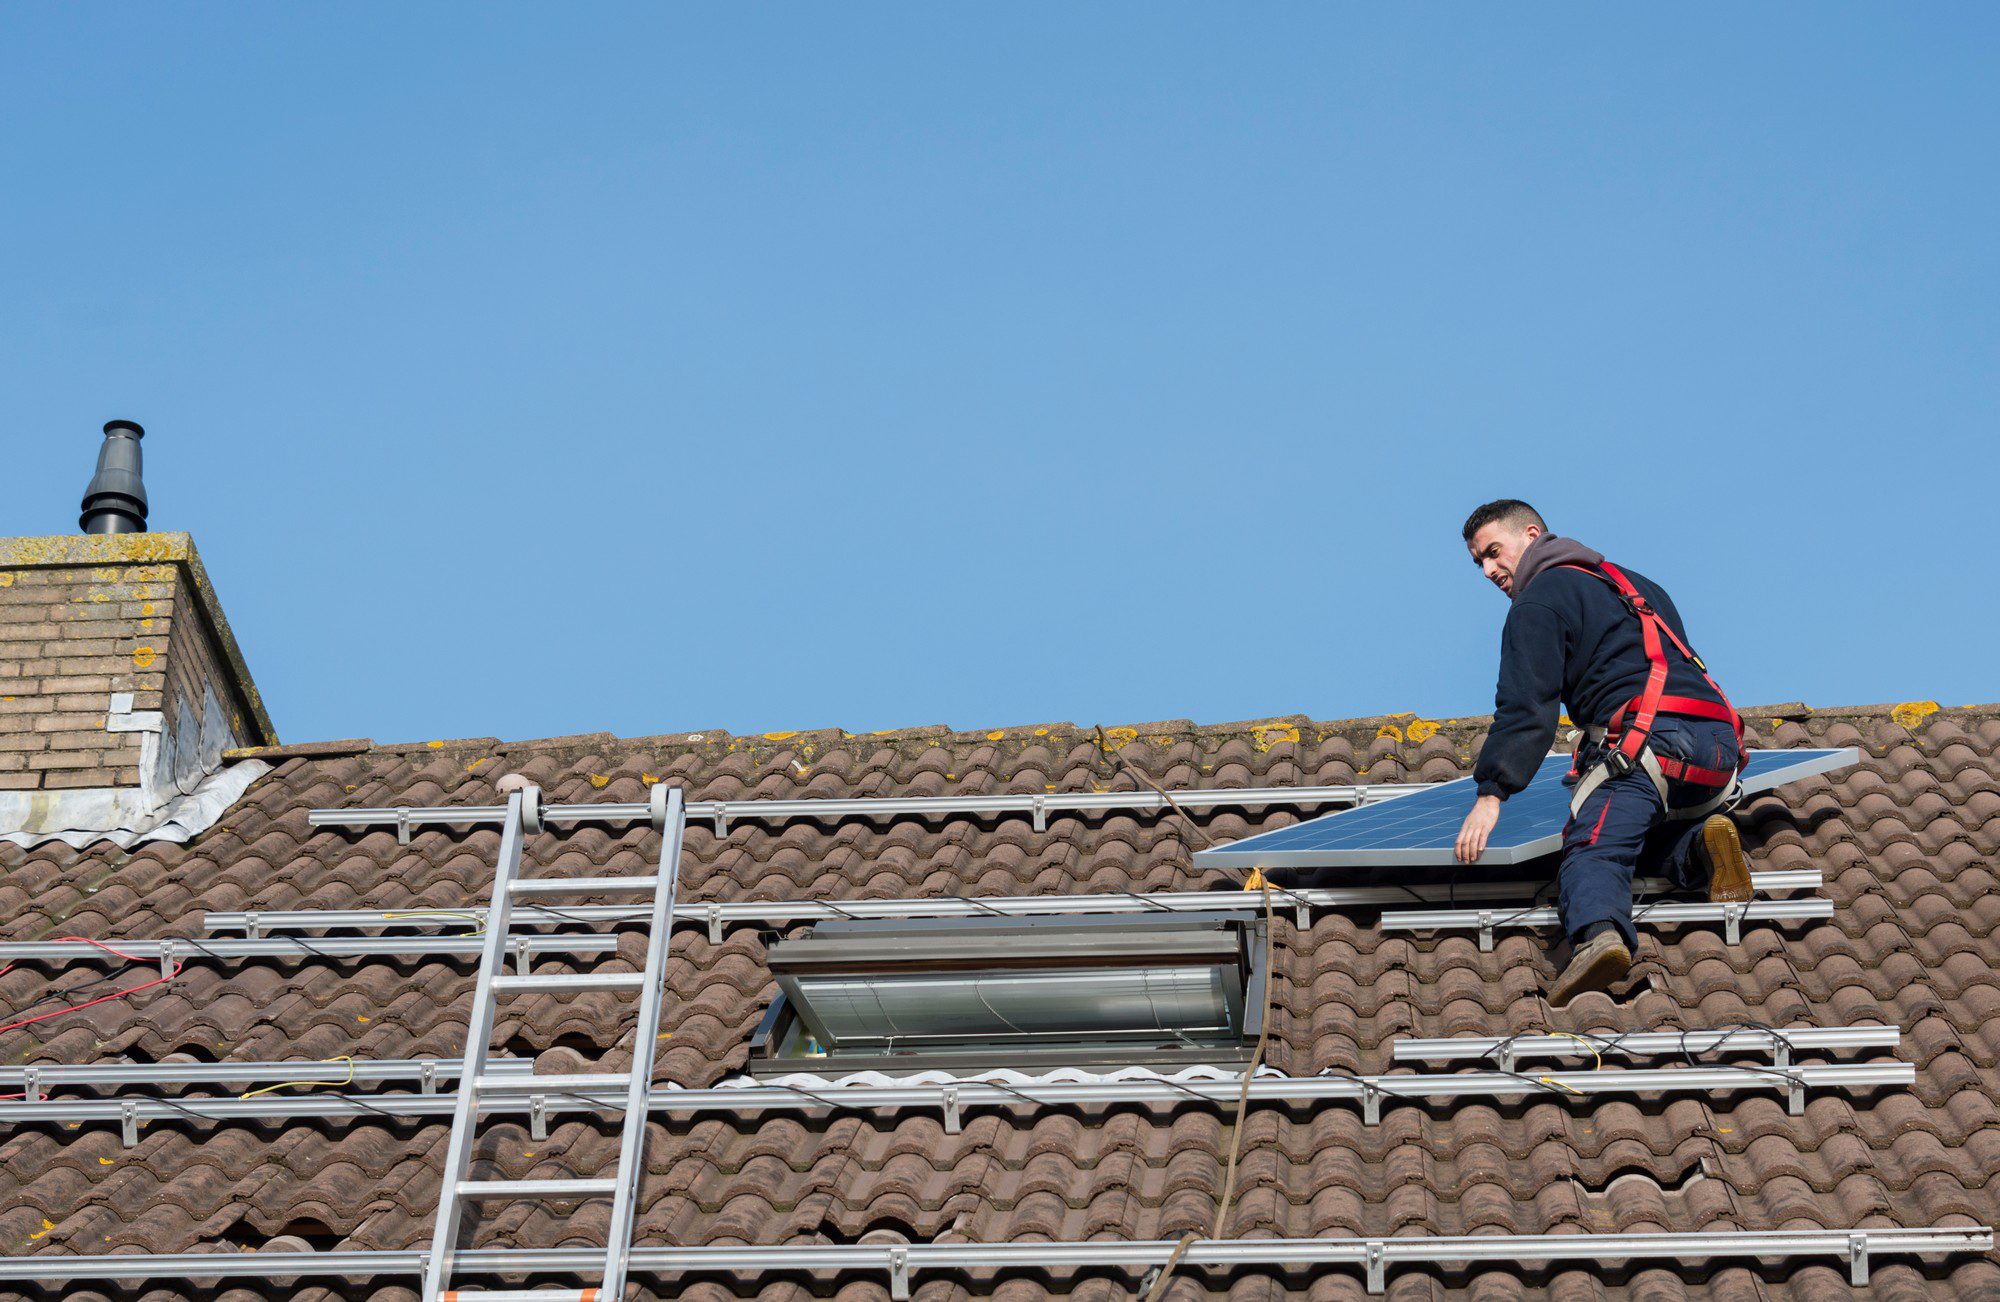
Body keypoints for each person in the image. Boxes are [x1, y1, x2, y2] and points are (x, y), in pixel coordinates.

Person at [1453, 499, 1753, 1005]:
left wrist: (1492, 792)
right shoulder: (1635, 583)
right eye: (1479, 562)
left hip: (1647, 744)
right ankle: (1703, 847)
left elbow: (1526, 707)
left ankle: (1598, 938)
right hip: (1718, 747)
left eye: (1493, 553)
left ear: (1531, 535)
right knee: (1644, 837)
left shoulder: (1538, 601)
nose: (1487, 570)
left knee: (1594, 847)